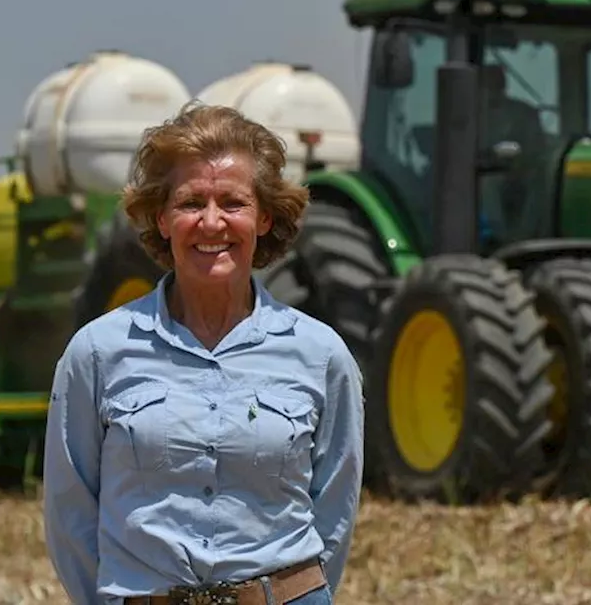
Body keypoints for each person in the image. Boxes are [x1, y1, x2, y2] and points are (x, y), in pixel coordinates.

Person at [42, 102, 365, 605]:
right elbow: (70, 511)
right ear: (161, 219)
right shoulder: (97, 353)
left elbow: (335, 510)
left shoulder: (322, 356)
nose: (211, 222)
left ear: (263, 218)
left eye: (233, 203)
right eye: (191, 203)